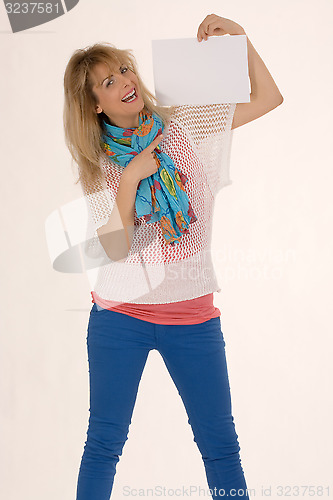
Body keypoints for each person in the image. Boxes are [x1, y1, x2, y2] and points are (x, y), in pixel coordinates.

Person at [63, 13, 283, 500]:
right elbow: (114, 247)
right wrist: (130, 179)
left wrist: (241, 42)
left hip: (193, 316)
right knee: (103, 445)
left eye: (124, 69)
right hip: (119, 319)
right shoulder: (98, 165)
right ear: (94, 104)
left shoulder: (183, 126)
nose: (125, 81)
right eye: (108, 80)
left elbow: (269, 99)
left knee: (221, 447)